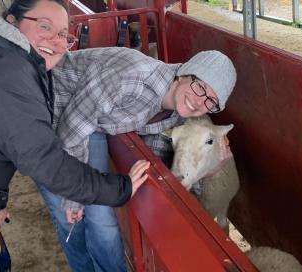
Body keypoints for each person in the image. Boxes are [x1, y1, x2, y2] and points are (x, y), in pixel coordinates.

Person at [0, 1, 149, 271]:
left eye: (63, 34)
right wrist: (122, 189)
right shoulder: (7, 70)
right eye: (44, 26)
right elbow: (43, 161)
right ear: (11, 22)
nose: (56, 40)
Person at [46, 48, 237, 271]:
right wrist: (74, 195)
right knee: (69, 218)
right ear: (185, 73)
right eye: (200, 87)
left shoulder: (176, 112)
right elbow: (70, 132)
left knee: (101, 222)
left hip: (92, 124)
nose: (199, 102)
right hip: (49, 114)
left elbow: (159, 152)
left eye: (211, 101)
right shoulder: (130, 78)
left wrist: (210, 169)